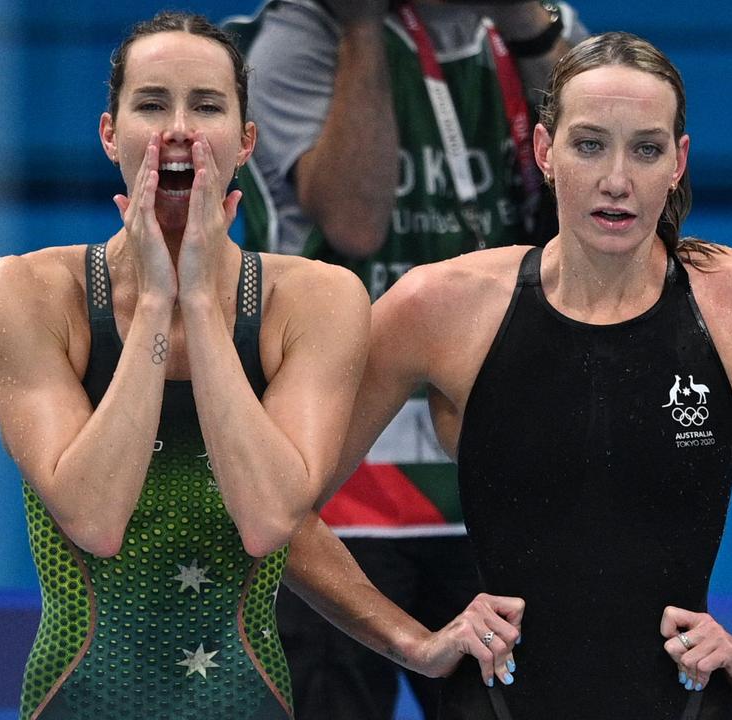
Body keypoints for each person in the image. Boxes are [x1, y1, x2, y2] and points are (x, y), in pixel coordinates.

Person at [280, 31, 732, 720]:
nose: (617, 179)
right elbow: (276, 507)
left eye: (646, 149)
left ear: (678, 163)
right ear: (544, 151)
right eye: (590, 144)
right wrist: (408, 641)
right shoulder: (440, 308)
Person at [0, 12, 369, 720]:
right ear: (109, 133)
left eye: (208, 105)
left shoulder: (316, 300)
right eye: (152, 104)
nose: (179, 129)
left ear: (247, 141)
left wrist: (198, 294)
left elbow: (269, 518)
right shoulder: (27, 292)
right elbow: (94, 518)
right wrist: (157, 303)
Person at [224, 2, 586, 716]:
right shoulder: (303, 33)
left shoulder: (540, 31)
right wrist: (361, 28)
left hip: (492, 492)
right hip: (343, 498)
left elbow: (613, 207)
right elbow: (356, 220)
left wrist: (531, 32)